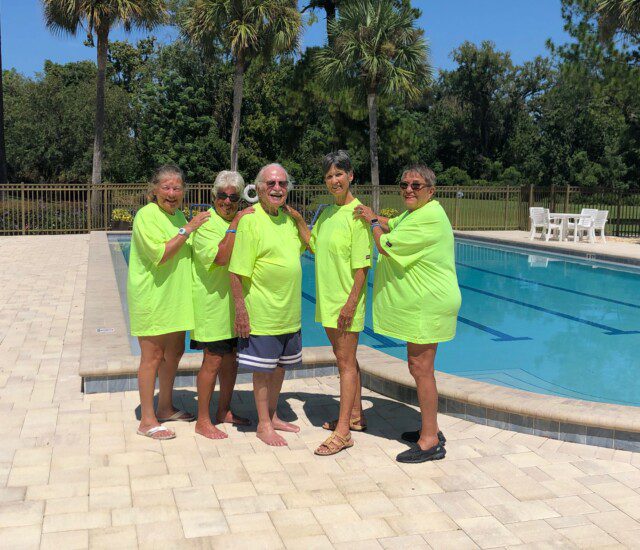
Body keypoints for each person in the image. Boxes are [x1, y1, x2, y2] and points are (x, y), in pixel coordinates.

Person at [355, 164, 461, 463]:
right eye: (404, 185)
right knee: (419, 367)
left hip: (429, 304)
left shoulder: (427, 218)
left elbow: (385, 244)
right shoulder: (420, 213)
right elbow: (391, 223)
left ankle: (430, 442)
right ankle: (431, 428)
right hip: (427, 302)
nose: (409, 190)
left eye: (416, 185)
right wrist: (374, 217)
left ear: (431, 189)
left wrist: (372, 224)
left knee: (420, 368)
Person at [286, 151, 372, 456]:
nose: (334, 180)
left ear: (350, 176)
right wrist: (297, 219)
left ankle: (343, 433)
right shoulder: (326, 214)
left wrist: (351, 304)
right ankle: (355, 417)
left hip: (345, 301)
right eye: (329, 176)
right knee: (345, 358)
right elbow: (313, 243)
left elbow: (363, 267)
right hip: (328, 300)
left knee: (345, 363)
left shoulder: (358, 214)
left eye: (339, 174)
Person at [127, 164, 210, 440]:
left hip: (176, 300)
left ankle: (164, 407)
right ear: (154, 189)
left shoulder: (177, 217)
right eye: (166, 187)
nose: (171, 193)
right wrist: (189, 228)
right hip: (153, 298)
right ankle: (147, 420)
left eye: (176, 188)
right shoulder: (146, 215)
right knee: (152, 358)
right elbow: (160, 254)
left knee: (174, 354)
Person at [228, 163, 305, 447]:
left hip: (289, 313)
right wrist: (240, 310)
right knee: (263, 371)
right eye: (271, 183)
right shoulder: (250, 220)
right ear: (258, 187)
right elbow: (236, 271)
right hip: (263, 312)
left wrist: (298, 219)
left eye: (282, 184)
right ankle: (262, 424)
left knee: (280, 368)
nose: (277, 188)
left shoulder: (287, 221)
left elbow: (306, 249)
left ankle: (272, 416)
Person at [190, 170, 254, 439]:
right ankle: (202, 419)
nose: (227, 201)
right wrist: (236, 223)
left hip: (235, 307)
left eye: (233, 197)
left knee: (231, 362)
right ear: (213, 196)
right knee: (213, 361)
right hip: (212, 306)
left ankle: (223, 411)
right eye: (222, 196)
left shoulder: (241, 221)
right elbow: (220, 257)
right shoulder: (205, 223)